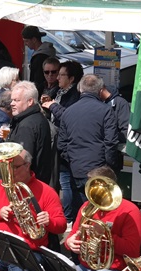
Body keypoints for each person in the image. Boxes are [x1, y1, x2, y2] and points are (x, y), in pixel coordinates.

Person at [56, 75, 120, 224]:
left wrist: (73, 160)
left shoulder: (69, 112)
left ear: (80, 89)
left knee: (81, 211)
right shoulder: (105, 110)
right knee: (100, 214)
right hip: (99, 168)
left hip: (77, 168)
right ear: (99, 90)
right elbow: (111, 142)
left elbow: (62, 144)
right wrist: (109, 166)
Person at [8, 81, 54, 184]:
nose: (12, 103)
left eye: (16, 100)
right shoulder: (38, 118)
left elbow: (22, 162)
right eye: (12, 100)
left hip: (27, 185)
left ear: (30, 101)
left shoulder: (27, 126)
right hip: (37, 182)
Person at [22, 26, 57, 96]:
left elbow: (37, 80)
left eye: (26, 41)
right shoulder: (47, 52)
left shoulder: (39, 57)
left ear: (34, 39)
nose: (25, 44)